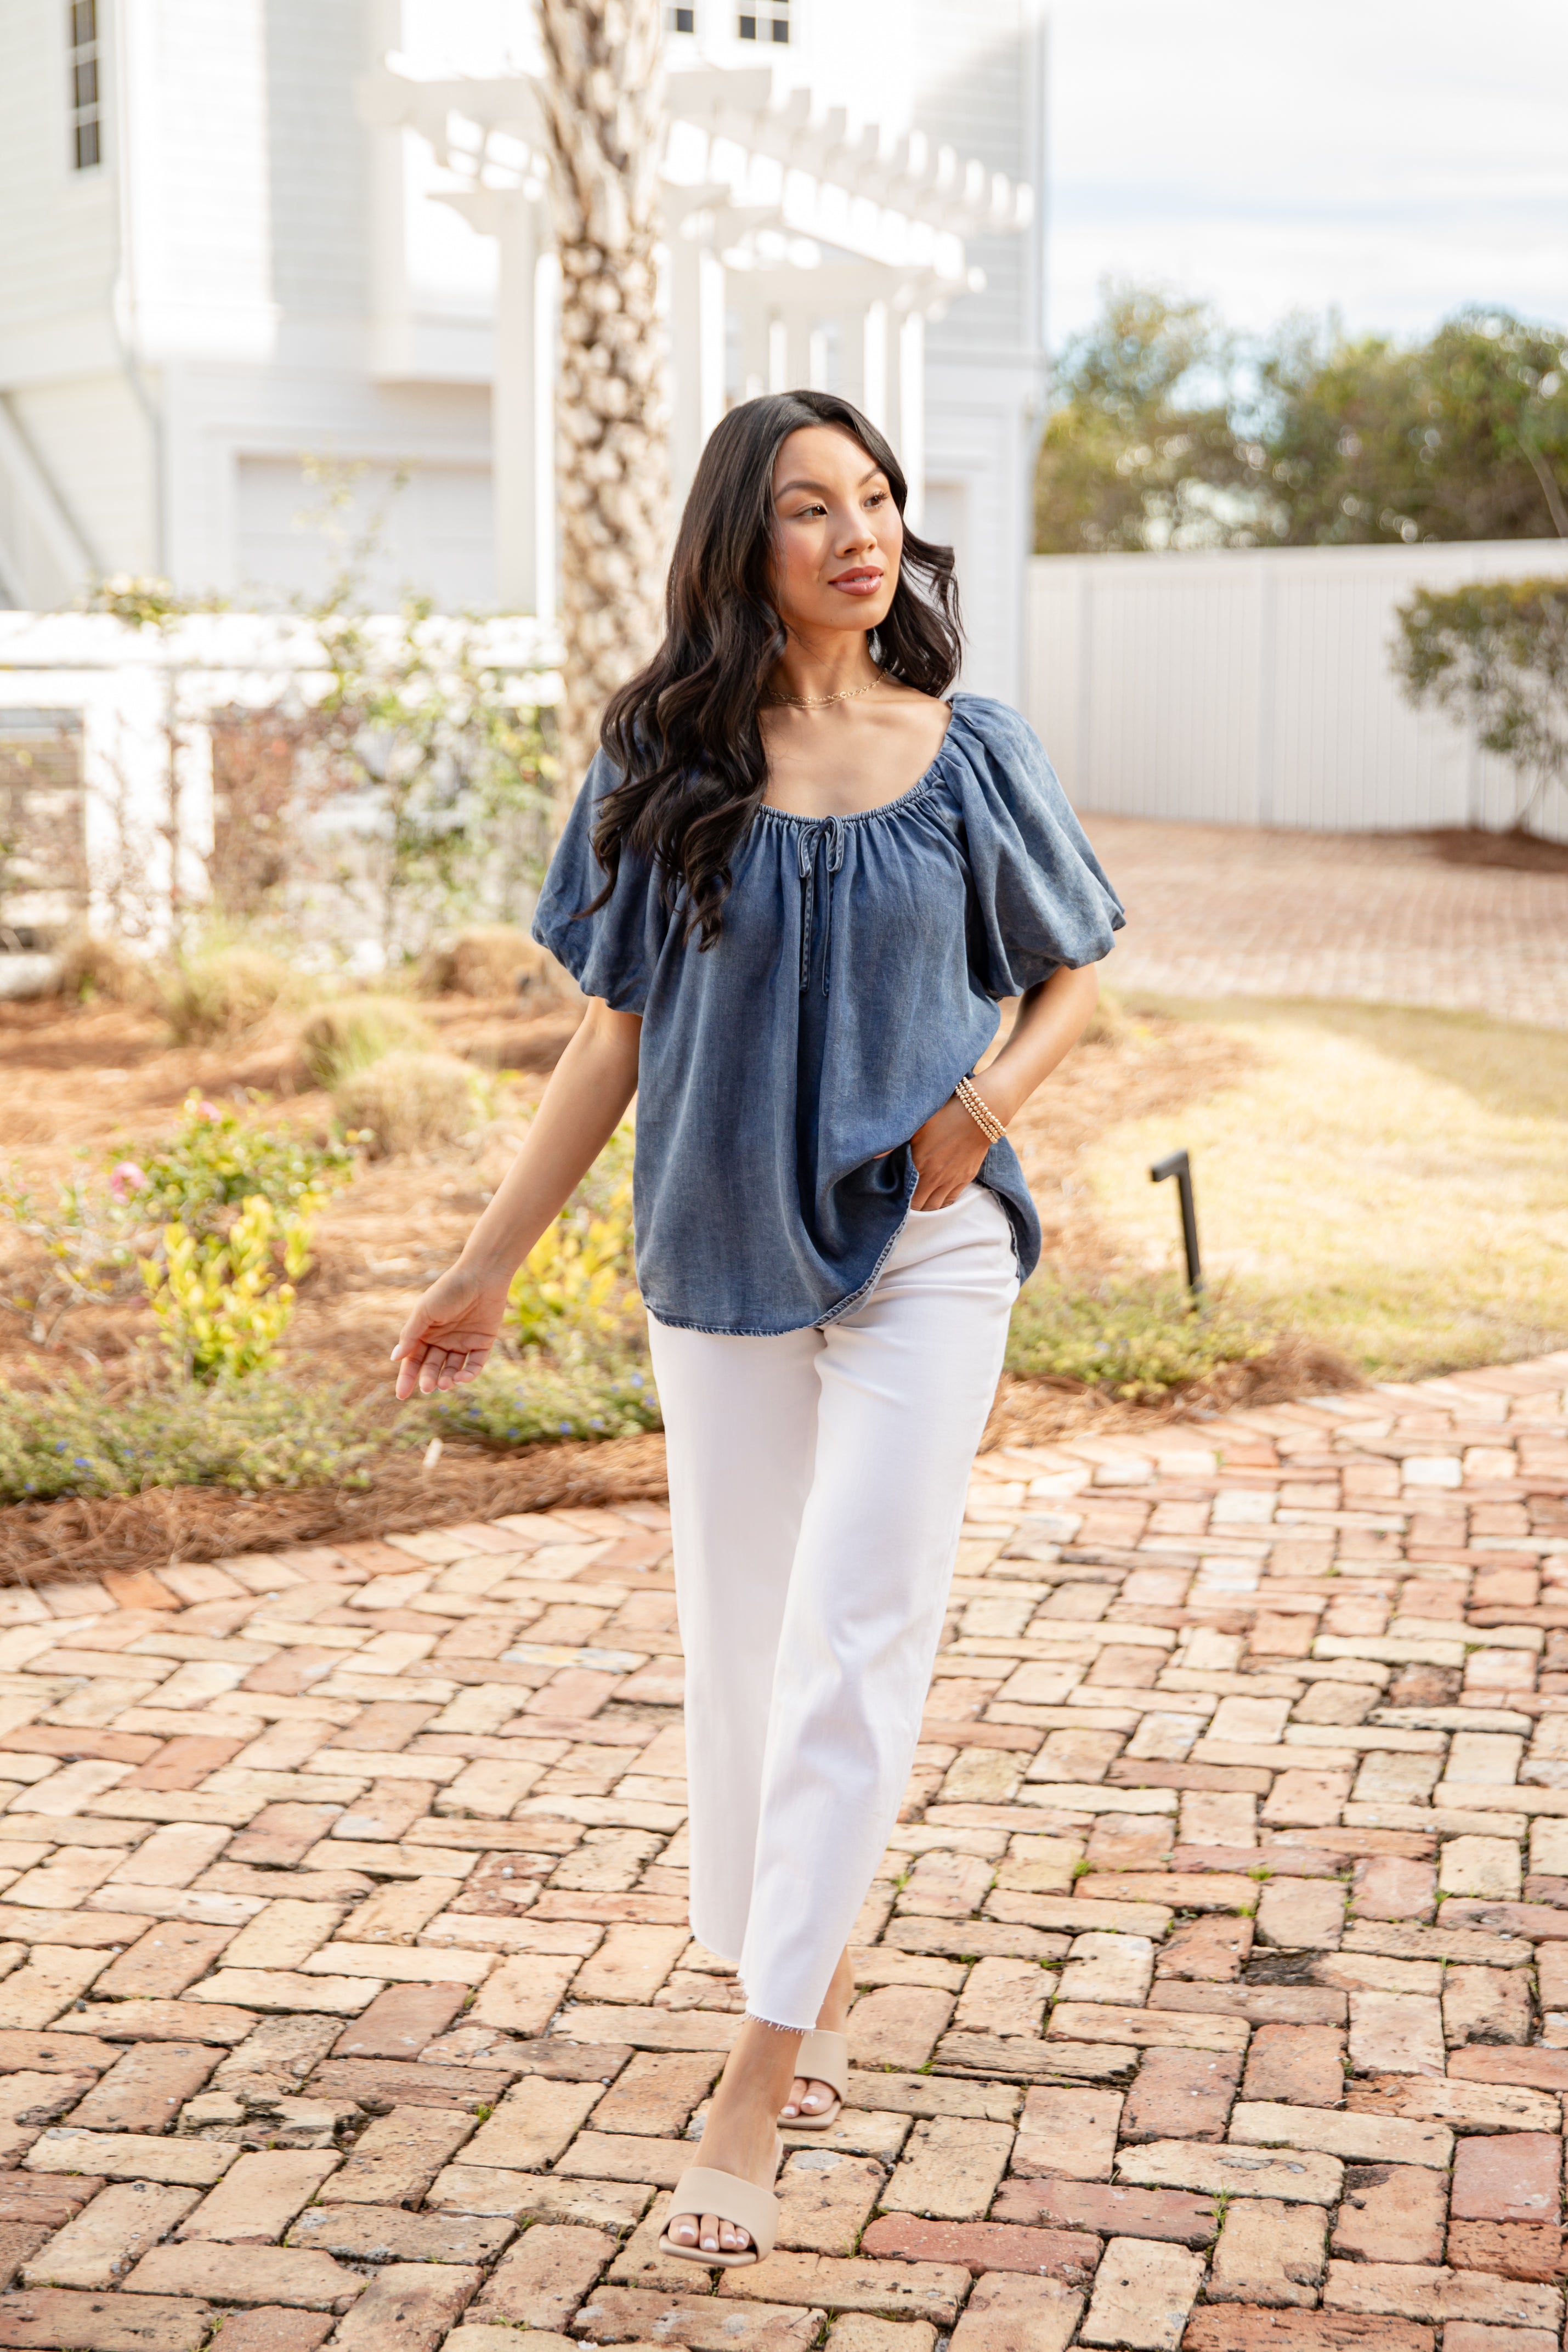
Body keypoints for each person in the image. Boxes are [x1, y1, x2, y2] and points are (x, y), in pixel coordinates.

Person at [390, 388, 1123, 2266]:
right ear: (746, 542)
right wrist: (484, 1264)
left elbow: (1075, 975)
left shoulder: (968, 751)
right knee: (748, 1642)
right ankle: (798, 1933)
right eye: (811, 507)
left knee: (861, 1622)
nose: (858, 533)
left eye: (876, 498)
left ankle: (765, 2059)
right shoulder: (661, 760)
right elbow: (612, 1033)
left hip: (929, 1243)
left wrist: (982, 1110)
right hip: (715, 1244)